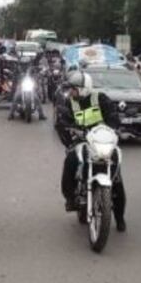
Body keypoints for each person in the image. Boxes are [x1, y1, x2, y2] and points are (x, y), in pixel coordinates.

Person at [55, 71, 127, 232]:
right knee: (70, 162)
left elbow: (113, 116)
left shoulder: (100, 98)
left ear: (84, 88)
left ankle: (120, 217)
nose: (71, 92)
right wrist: (70, 140)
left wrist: (116, 128)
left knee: (117, 179)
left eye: (74, 89)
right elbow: (61, 123)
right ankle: (71, 198)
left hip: (102, 141)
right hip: (81, 142)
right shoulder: (69, 103)